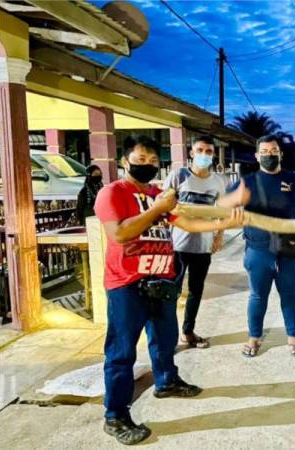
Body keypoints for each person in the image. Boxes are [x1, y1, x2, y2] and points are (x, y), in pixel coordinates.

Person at [94, 135, 243, 445]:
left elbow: (187, 225)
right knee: (122, 352)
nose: (147, 165)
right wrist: (157, 207)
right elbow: (120, 233)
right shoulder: (112, 193)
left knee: (164, 339)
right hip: (127, 284)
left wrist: (227, 222)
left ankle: (167, 382)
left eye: (152, 161)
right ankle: (115, 415)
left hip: (162, 279)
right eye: (141, 159)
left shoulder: (158, 194)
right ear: (125, 161)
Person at [222, 134, 295, 357]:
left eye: (273, 151)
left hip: (289, 250)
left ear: (280, 153)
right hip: (258, 250)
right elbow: (223, 204)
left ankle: (293, 335)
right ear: (257, 156)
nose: (269, 155)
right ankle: (254, 337)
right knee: (257, 296)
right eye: (264, 152)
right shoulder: (247, 182)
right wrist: (234, 200)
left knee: (289, 294)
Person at [163, 135, 226, 348]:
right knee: (171, 292)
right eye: (200, 150)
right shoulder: (178, 176)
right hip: (177, 246)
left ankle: (187, 332)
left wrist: (219, 236)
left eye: (209, 151)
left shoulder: (218, 181)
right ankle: (167, 337)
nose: (204, 155)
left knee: (196, 291)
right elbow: (163, 206)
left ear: (213, 154)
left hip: (203, 246)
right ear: (191, 153)